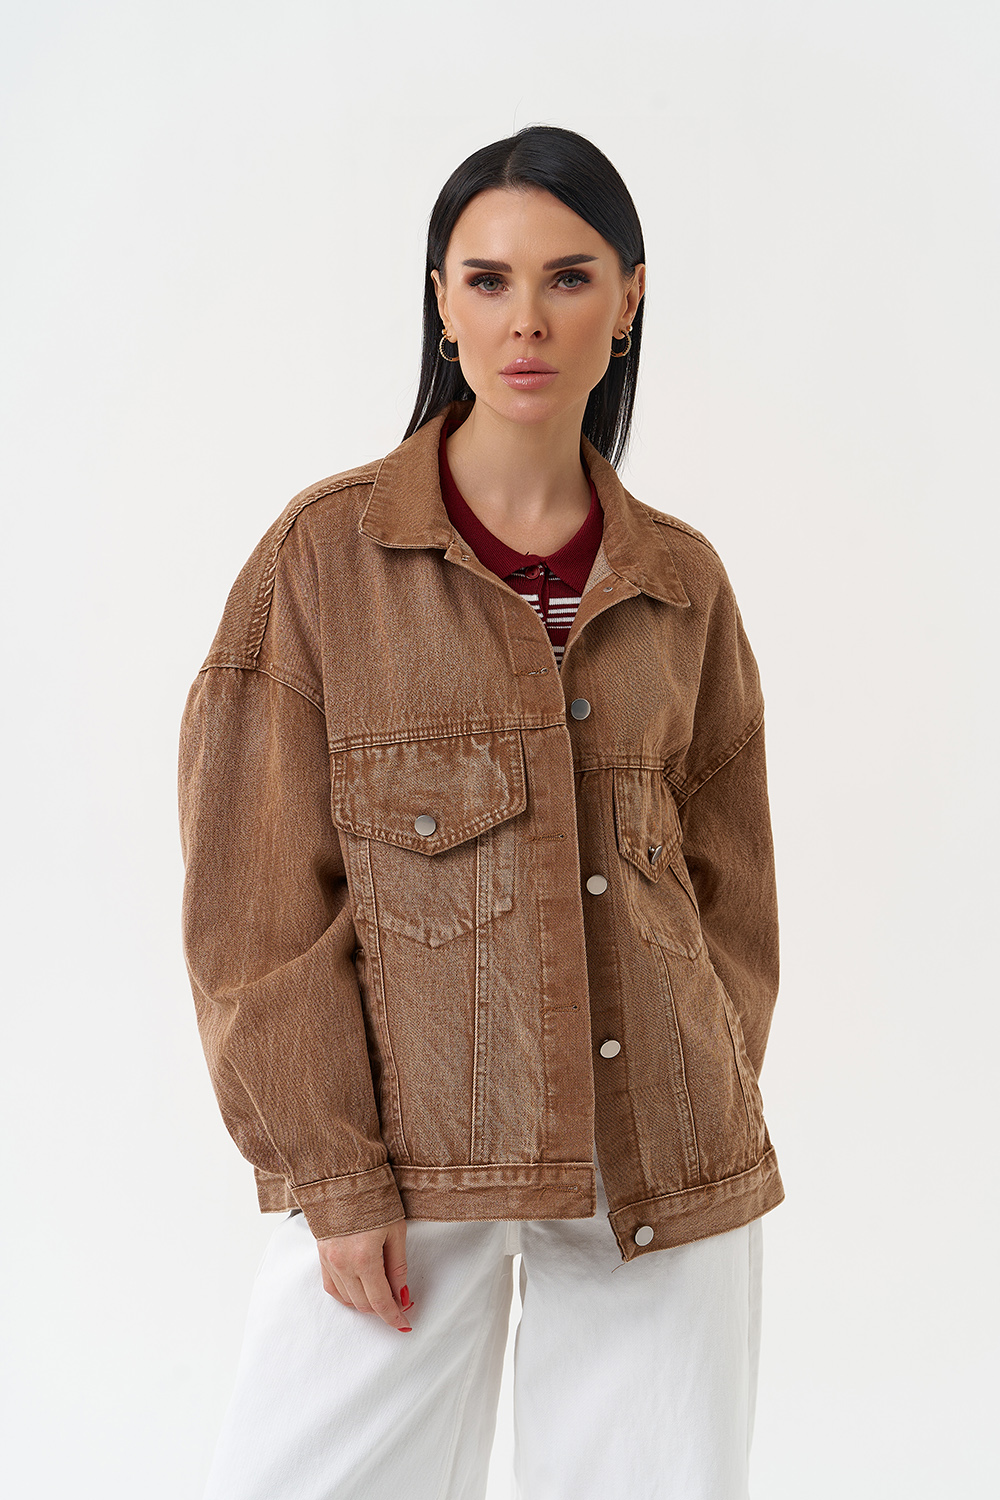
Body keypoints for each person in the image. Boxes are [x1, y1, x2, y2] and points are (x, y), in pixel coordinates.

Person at [178, 124, 784, 1500]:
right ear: (440, 302)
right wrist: (333, 1175)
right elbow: (253, 908)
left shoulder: (683, 582)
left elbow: (731, 892)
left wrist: (706, 1084)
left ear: (628, 300)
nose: (527, 320)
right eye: (489, 279)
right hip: (412, 1163)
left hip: (661, 1154)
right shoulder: (322, 562)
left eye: (569, 278)